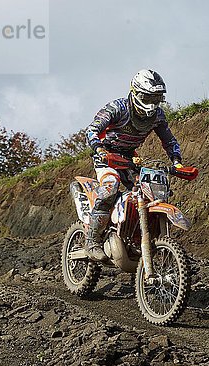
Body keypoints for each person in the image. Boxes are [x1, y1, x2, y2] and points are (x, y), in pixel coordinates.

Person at [84, 69, 183, 261]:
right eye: (148, 97)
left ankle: (136, 238)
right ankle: (92, 241)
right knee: (110, 187)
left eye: (157, 98)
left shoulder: (158, 116)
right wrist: (99, 149)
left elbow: (169, 140)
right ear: (136, 93)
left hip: (130, 159)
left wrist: (176, 161)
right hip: (107, 156)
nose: (152, 103)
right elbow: (92, 129)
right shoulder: (117, 108)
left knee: (148, 192)